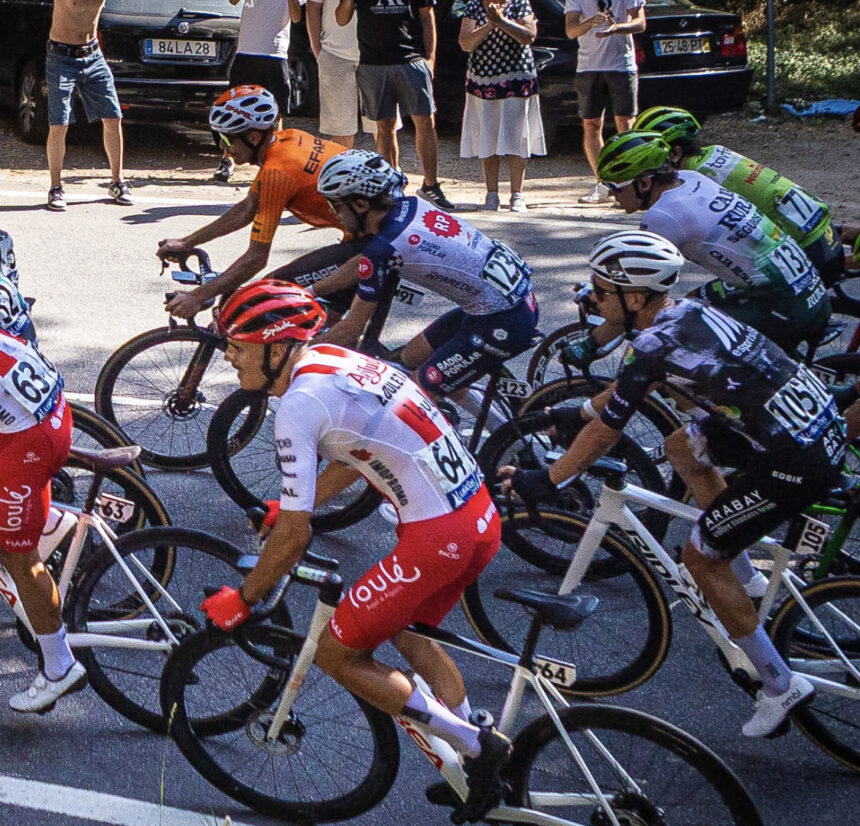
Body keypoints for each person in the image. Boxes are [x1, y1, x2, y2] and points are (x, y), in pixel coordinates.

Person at [503, 229, 842, 737]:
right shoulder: (685, 313)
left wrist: (548, 479)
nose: (592, 299)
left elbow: (606, 432)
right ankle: (746, 578)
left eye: (601, 291)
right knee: (682, 447)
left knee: (699, 557)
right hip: (805, 425)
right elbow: (630, 388)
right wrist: (579, 411)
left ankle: (778, 684)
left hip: (795, 458)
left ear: (635, 299)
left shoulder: (652, 344)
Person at [200, 281, 511, 820]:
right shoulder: (335, 362)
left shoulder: (299, 405)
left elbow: (294, 539)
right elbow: (359, 453)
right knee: (409, 635)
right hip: (478, 519)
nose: (228, 357)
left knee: (335, 653)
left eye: (238, 346)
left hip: (438, 538)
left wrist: (243, 600)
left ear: (277, 349)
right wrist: (291, 503)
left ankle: (477, 746)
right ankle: (472, 766)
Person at [309, 150, 539, 406]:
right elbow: (362, 263)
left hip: (502, 320)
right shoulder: (410, 207)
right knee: (407, 360)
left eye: (336, 205)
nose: (333, 213)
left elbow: (352, 329)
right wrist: (311, 291)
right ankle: (470, 406)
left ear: (361, 204)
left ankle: (504, 434)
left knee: (410, 396)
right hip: (501, 305)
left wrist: (302, 353)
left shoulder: (386, 247)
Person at [593, 130, 830, 357]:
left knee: (678, 337)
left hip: (784, 304)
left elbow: (636, 297)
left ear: (644, 183)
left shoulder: (662, 216)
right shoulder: (690, 178)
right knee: (693, 299)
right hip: (805, 285)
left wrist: (591, 343)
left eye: (614, 187)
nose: (612, 195)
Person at [157, 85, 349, 320]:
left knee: (266, 296)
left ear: (254, 137)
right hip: (367, 234)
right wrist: (187, 242)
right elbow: (249, 207)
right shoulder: (286, 140)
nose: (222, 147)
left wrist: (197, 296)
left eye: (225, 138)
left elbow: (256, 259)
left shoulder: (277, 173)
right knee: (322, 318)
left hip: (372, 241)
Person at [633, 106, 845, 287]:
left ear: (675, 153)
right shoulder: (715, 151)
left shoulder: (693, 177)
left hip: (806, 250)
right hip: (821, 228)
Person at [0, 328, 82, 713]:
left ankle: (59, 666)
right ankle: (44, 522)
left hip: (29, 443)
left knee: (19, 558)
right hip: (45, 420)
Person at [335, 0, 456, 210]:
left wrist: (430, 59)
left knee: (425, 121)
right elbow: (341, 19)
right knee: (384, 127)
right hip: (373, 63)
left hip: (411, 58)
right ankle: (391, 188)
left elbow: (427, 15)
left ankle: (430, 185)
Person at [458, 0, 545, 213]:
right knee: (487, 135)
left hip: (516, 79)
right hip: (482, 80)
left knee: (516, 135)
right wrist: (490, 24)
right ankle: (492, 194)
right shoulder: (474, 5)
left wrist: (501, 21)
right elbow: (466, 43)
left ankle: (517, 194)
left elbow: (528, 36)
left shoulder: (519, 3)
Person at [45, 0, 132, 211]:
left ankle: (117, 182)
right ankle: (55, 187)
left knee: (113, 117)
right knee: (59, 123)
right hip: (61, 56)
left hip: (93, 56)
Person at [564, 0, 646, 205]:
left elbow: (640, 23)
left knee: (626, 124)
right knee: (591, 125)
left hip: (622, 65)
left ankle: (629, 184)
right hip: (588, 67)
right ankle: (603, 183)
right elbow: (571, 30)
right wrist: (589, 22)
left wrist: (617, 28)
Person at [215, 0, 293, 183]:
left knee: (277, 110)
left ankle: (274, 163)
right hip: (247, 50)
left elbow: (297, 16)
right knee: (234, 107)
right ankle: (227, 159)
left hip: (275, 52)